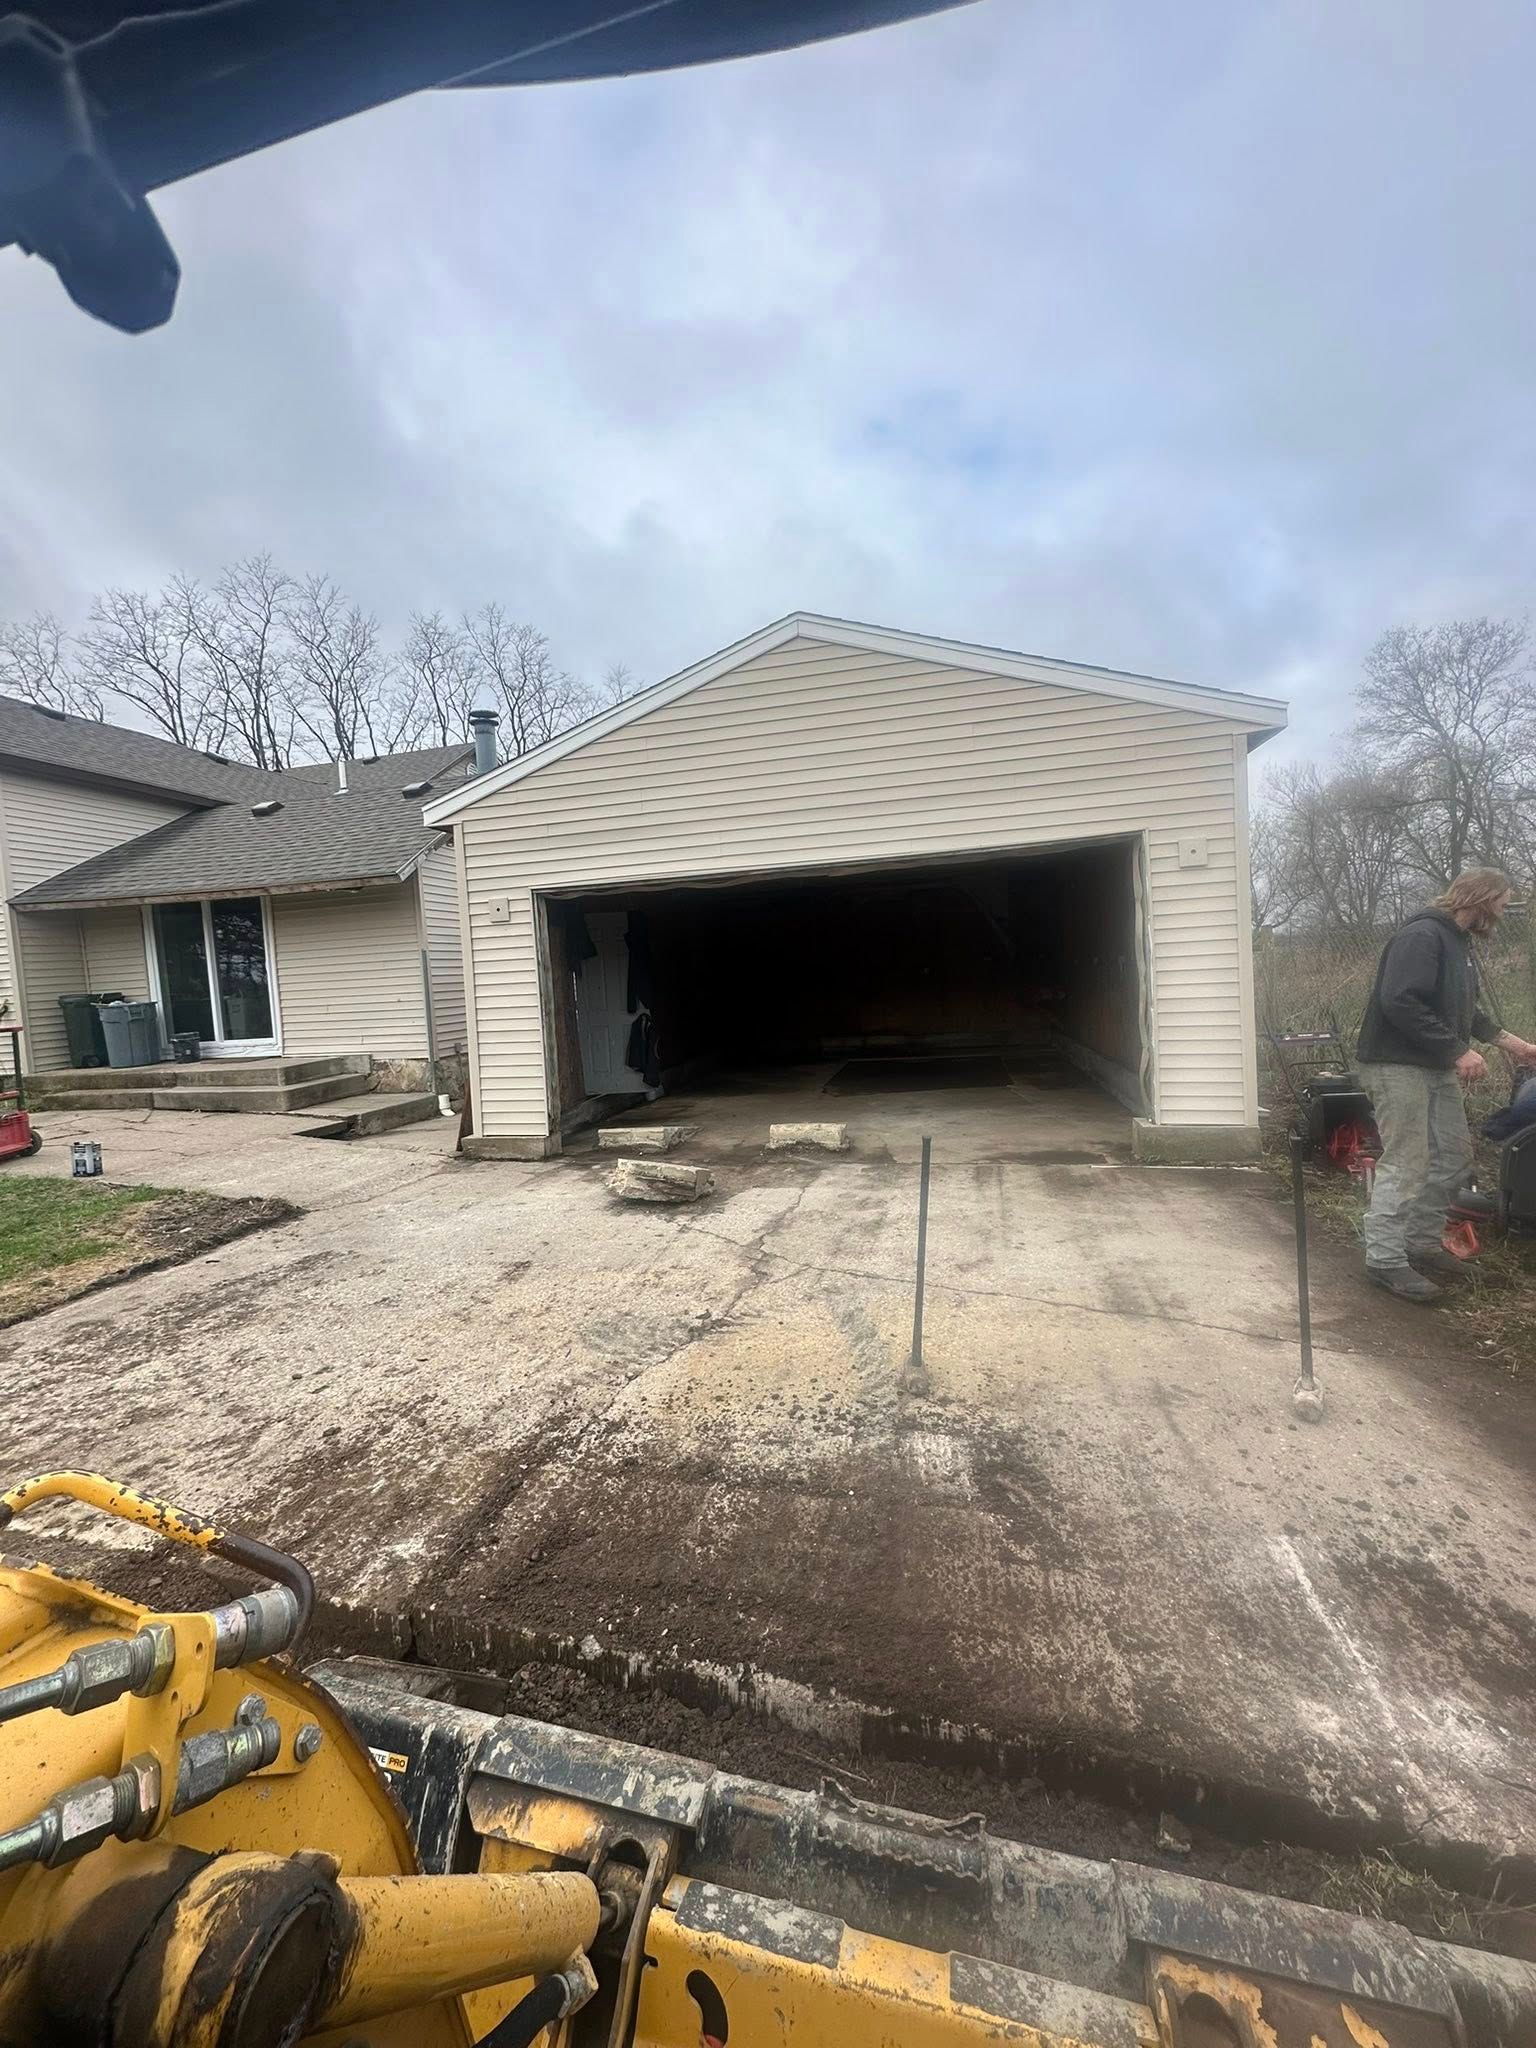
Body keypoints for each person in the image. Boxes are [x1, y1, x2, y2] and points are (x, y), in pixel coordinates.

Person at [1357, 867, 1536, 1302]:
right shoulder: (1422, 936)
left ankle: (1419, 1243)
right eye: (1499, 902)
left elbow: (1465, 1012)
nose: (1501, 912)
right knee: (1407, 1160)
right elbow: (1399, 1000)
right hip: (1397, 1064)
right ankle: (1384, 1258)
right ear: (1479, 898)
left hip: (1432, 1065)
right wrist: (1457, 1051)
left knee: (1453, 1156)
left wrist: (1515, 1045)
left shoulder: (1459, 944)